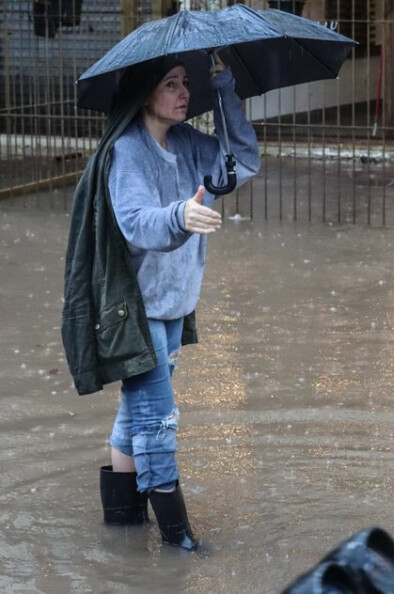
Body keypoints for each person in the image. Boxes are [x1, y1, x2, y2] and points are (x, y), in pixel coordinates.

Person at [62, 52, 259, 551]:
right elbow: (135, 221)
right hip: (134, 308)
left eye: (185, 83)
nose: (182, 92)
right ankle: (180, 544)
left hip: (172, 304)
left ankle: (123, 528)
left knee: (137, 415)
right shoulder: (127, 151)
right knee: (158, 421)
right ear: (145, 92)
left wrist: (224, 87)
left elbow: (242, 162)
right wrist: (179, 216)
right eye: (170, 84)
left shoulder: (187, 142)